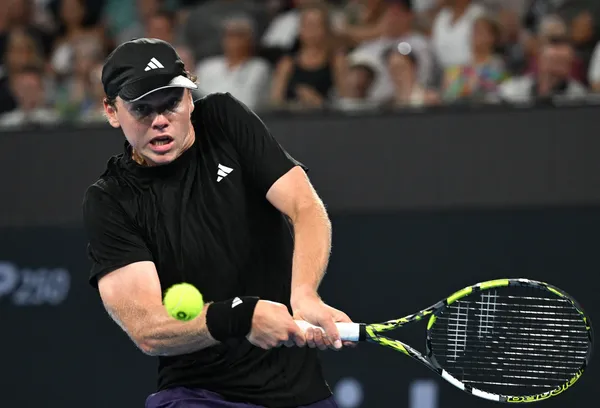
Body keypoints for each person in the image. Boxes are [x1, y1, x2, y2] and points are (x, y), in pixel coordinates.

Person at [82, 38, 354, 408]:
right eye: (142, 108)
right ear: (112, 111)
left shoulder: (225, 120)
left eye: (171, 102)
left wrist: (304, 294)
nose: (160, 120)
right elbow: (148, 328)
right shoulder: (110, 200)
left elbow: (304, 206)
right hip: (198, 395)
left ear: (190, 98)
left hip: (300, 392)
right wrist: (241, 317)